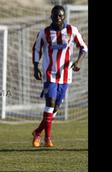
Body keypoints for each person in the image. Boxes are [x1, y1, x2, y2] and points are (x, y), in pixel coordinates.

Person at [31, 5, 87, 148]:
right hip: (49, 73)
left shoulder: (72, 31)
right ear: (51, 16)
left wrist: (79, 62)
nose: (58, 18)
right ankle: (47, 139)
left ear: (64, 17)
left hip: (65, 75)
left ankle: (38, 132)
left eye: (61, 16)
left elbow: (84, 48)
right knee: (50, 104)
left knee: (55, 108)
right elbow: (36, 49)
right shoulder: (44, 33)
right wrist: (36, 66)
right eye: (56, 16)